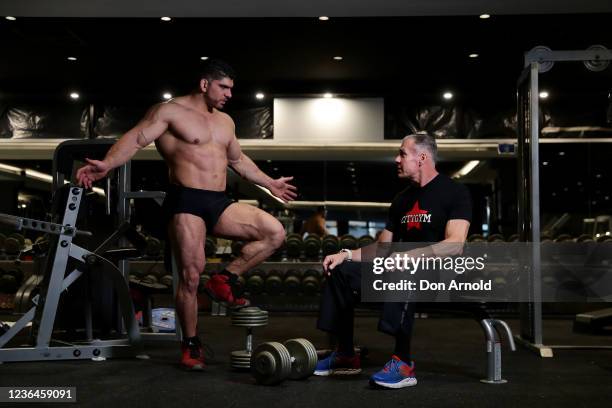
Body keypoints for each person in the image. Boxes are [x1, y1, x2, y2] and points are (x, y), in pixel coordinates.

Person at [76, 59, 297, 370]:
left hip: (219, 200)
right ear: (205, 84)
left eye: (232, 89)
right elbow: (136, 139)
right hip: (186, 201)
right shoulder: (169, 111)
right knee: (190, 276)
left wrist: (270, 183)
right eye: (224, 87)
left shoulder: (225, 122)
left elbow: (239, 160)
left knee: (274, 232)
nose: (229, 94)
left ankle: (225, 278)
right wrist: (107, 165)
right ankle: (191, 344)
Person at [314, 132, 471, 389]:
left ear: (421, 158)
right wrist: (345, 255)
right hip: (402, 269)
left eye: (402, 153)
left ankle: (403, 362)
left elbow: (455, 244)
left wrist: (409, 256)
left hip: (441, 274)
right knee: (342, 271)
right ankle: (345, 353)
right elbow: (381, 248)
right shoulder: (402, 199)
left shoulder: (454, 192)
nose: (396, 159)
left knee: (406, 269)